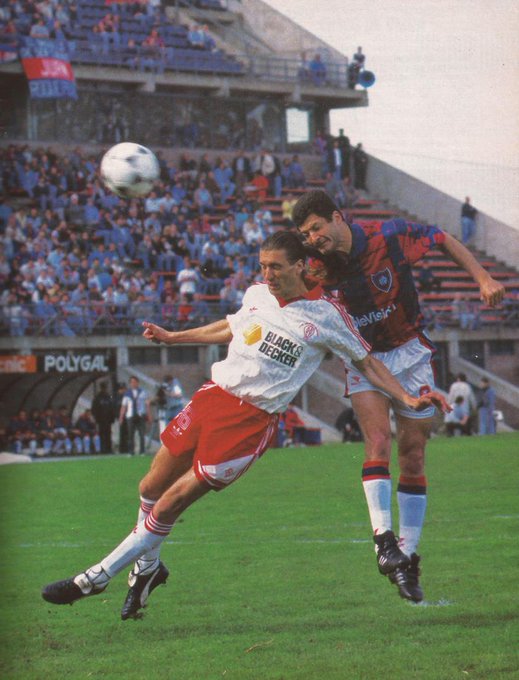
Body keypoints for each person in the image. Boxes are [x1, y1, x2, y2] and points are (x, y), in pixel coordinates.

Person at [41, 231, 448, 620]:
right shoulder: (257, 294)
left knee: (169, 504)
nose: (267, 274)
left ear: (300, 266)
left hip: (249, 422)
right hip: (211, 398)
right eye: (263, 266)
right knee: (149, 488)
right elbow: (231, 326)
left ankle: (94, 578)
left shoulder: (327, 316)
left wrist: (407, 398)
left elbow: (368, 363)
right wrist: (174, 337)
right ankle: (148, 568)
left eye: (276, 267)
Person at [292, 189, 505, 602]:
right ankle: (384, 542)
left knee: (413, 453)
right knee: (377, 440)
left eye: (316, 228)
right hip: (365, 359)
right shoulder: (315, 264)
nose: (313, 239)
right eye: (305, 234)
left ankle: (408, 555)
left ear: (337, 217)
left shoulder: (388, 235)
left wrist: (482, 277)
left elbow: (441, 238)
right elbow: (286, 284)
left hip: (410, 353)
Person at [119, 376, 152, 456]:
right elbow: (124, 406)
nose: (133, 384)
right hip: (130, 415)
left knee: (141, 434)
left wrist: (149, 415)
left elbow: (147, 405)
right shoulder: (127, 394)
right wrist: (121, 416)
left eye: (135, 382)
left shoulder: (143, 392)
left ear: (138, 383)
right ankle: (131, 451)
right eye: (132, 382)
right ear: (130, 384)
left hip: (140, 415)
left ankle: (142, 451)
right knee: (130, 434)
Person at [91, 381, 116, 454]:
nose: (104, 389)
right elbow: (94, 409)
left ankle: (108, 449)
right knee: (102, 434)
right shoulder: (97, 398)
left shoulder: (108, 397)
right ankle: (102, 449)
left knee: (108, 434)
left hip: (108, 420)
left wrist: (112, 418)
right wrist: (96, 418)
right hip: (101, 420)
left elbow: (112, 408)